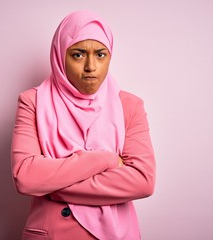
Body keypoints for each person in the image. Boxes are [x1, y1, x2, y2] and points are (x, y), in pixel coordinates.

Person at [11, 10, 156, 240]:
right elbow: (26, 176)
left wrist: (52, 185)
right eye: (78, 55)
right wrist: (105, 159)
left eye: (100, 55)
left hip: (116, 234)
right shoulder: (33, 101)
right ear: (60, 56)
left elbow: (143, 181)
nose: (91, 66)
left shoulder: (129, 105)